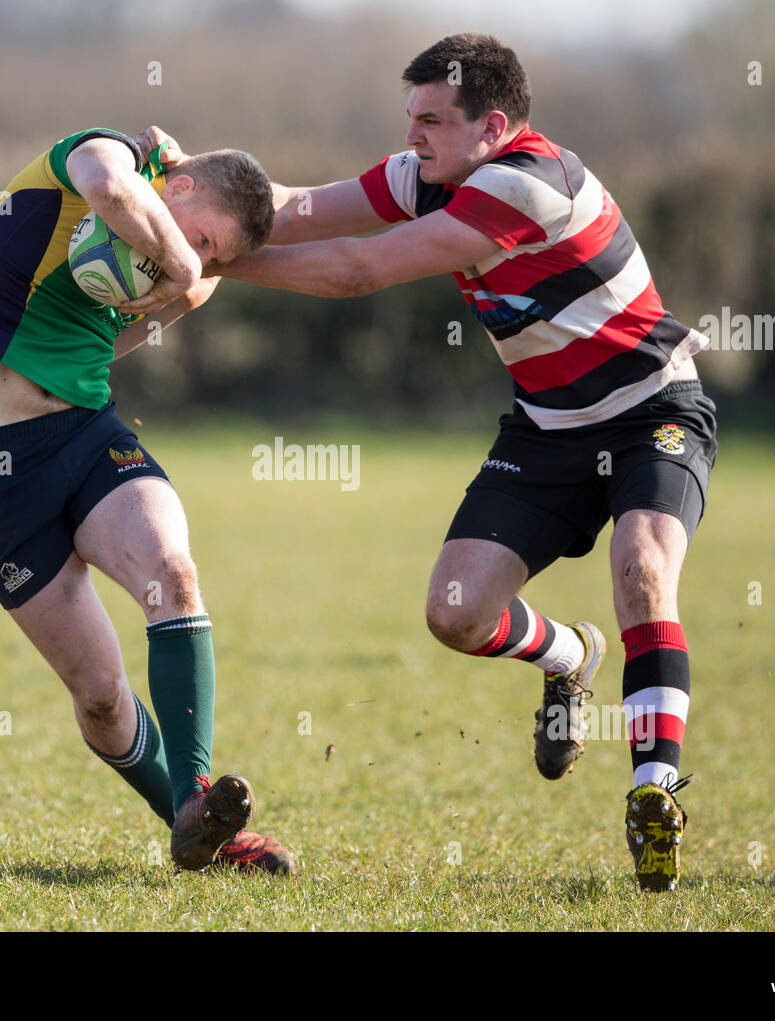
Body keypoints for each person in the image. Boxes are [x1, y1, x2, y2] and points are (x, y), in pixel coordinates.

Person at [127, 35, 716, 892]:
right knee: (456, 613)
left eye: (433, 121)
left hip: (652, 412)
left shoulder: (524, 184)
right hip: (548, 431)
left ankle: (653, 791)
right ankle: (566, 658)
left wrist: (205, 256)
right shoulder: (427, 174)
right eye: (410, 119)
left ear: (496, 126)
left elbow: (359, 267)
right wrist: (185, 197)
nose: (414, 137)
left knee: (642, 567)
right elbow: (292, 210)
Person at [0, 126, 292, 874]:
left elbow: (106, 336)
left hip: (85, 434)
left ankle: (197, 798)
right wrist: (184, 264)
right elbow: (112, 188)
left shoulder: (135, 266)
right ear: (179, 187)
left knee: (173, 572)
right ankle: (191, 824)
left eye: (216, 255)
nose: (200, 260)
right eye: (206, 239)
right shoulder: (106, 151)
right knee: (99, 696)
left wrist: (173, 299)